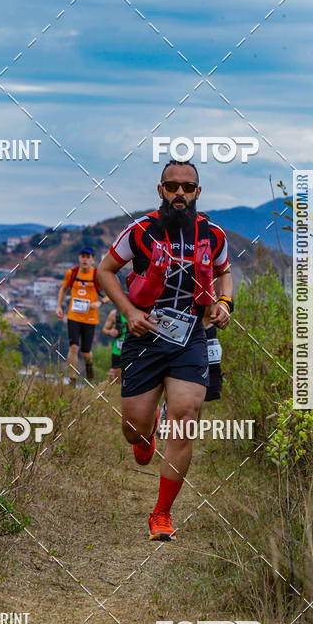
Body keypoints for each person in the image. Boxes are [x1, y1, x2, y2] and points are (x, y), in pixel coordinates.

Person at [97, 160, 233, 541]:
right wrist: (128, 312)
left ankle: (161, 514)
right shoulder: (141, 231)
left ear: (197, 193)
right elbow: (105, 270)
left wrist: (224, 304)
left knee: (186, 416)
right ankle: (145, 435)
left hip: (192, 336)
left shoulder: (213, 234)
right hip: (145, 336)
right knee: (132, 429)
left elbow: (224, 273)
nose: (179, 194)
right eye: (172, 187)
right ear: (160, 190)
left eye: (187, 188)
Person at [56, 246, 108, 383]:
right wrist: (59, 306)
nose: (85, 259)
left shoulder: (98, 275)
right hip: (73, 316)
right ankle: (72, 379)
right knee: (73, 346)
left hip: (90, 318)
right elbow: (63, 289)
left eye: (88, 257)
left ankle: (89, 364)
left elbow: (111, 294)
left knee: (85, 353)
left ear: (93, 259)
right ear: (79, 258)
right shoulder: (72, 273)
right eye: (82, 256)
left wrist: (100, 302)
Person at [102, 307, 129, 382]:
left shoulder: (135, 313)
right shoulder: (114, 314)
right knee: (118, 379)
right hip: (117, 351)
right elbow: (104, 330)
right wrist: (110, 332)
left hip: (132, 350)